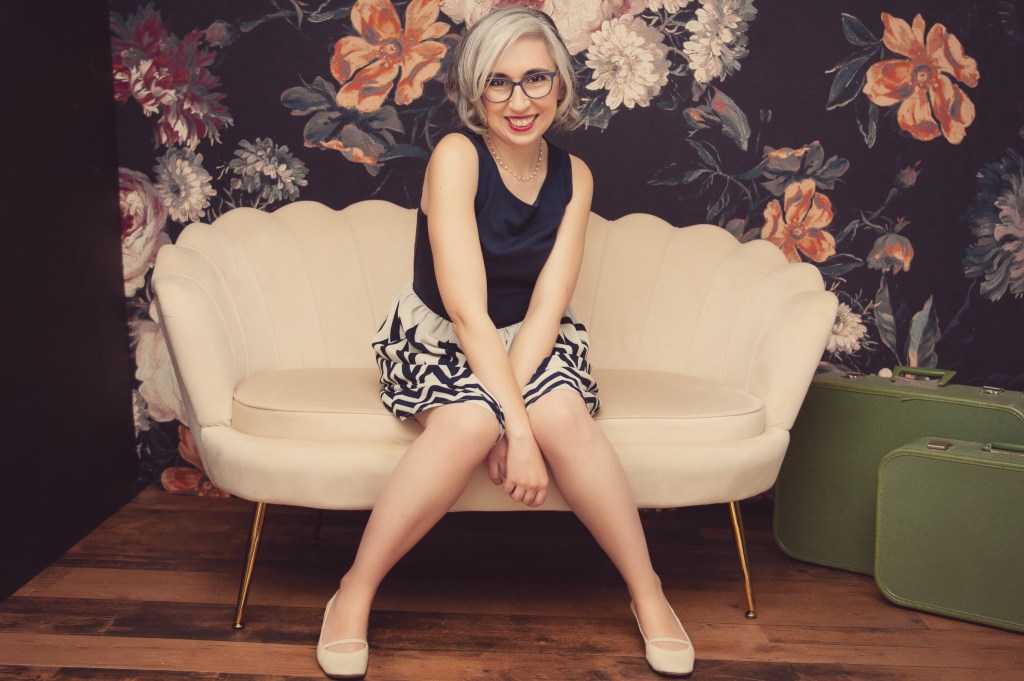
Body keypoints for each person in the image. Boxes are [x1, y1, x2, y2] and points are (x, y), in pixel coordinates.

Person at [316, 7, 694, 678]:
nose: (520, 102)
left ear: (561, 86)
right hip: (442, 336)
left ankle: (650, 593)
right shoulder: (457, 157)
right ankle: (353, 590)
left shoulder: (575, 176)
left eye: (536, 80)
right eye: (499, 83)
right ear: (474, 91)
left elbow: (549, 304)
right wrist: (509, 430)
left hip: (530, 337)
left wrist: (517, 418)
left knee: (563, 414)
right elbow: (465, 311)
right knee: (465, 421)